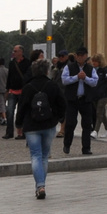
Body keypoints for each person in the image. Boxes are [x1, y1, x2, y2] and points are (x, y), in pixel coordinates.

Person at [14, 58, 65, 199]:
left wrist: (19, 125)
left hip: (31, 126)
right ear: (47, 70)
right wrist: (59, 118)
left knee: (35, 155)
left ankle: (40, 186)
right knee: (44, 156)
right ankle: (42, 185)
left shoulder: (28, 87)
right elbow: (62, 104)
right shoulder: (53, 86)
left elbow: (22, 108)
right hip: (49, 125)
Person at [59, 46, 99, 154]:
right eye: (78, 56)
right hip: (72, 99)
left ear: (86, 56)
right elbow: (64, 80)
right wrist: (77, 77)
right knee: (71, 123)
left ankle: (86, 148)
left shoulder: (90, 69)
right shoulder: (69, 67)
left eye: (82, 56)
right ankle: (67, 144)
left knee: (87, 124)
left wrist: (85, 78)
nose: (80, 58)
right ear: (76, 56)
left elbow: (94, 82)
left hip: (85, 99)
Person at [3, 44, 31, 139]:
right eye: (13, 51)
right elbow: (9, 77)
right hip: (12, 91)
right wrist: (7, 90)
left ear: (21, 52)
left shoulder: (27, 63)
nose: (13, 53)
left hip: (23, 91)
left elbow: (28, 77)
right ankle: (9, 132)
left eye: (15, 51)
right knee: (9, 112)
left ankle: (22, 132)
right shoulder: (12, 63)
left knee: (21, 112)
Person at [90, 53, 107, 137]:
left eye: (95, 61)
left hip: (103, 95)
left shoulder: (104, 71)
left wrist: (104, 91)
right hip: (95, 95)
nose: (93, 63)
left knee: (99, 113)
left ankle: (95, 131)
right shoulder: (94, 70)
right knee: (102, 113)